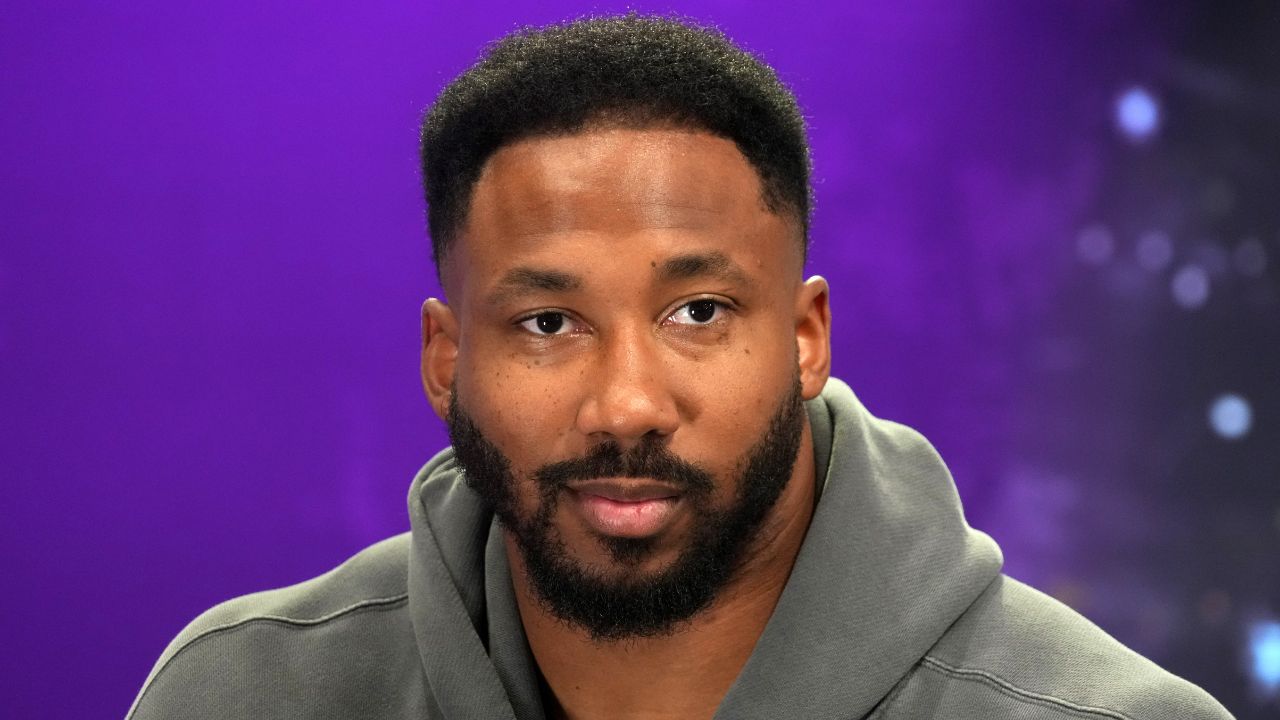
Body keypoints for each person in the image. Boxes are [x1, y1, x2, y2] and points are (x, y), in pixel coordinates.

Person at [128, 15, 1233, 720]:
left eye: (697, 311)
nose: (626, 405)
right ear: (446, 357)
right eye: (548, 323)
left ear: (805, 339)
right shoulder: (245, 695)